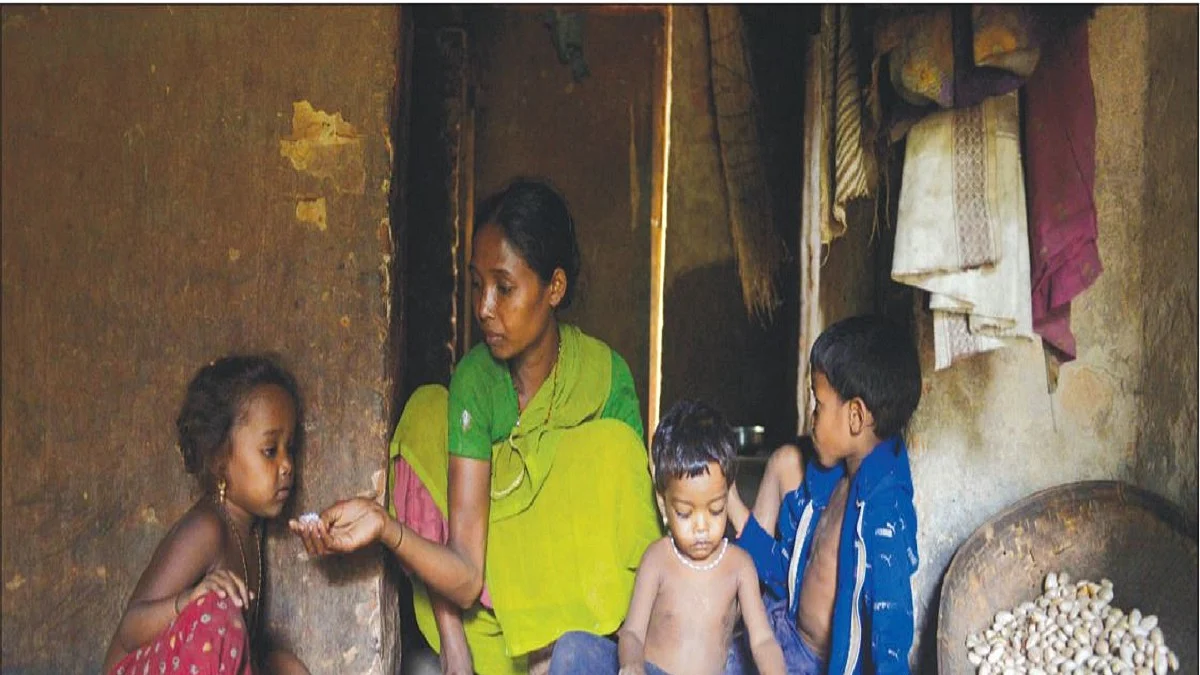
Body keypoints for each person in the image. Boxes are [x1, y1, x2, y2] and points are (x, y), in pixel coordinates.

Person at [290, 178, 661, 675]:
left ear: (554, 287)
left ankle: (549, 649)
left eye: (504, 288)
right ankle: (461, 645)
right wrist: (384, 526)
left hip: (577, 618)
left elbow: (635, 542)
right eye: (477, 285)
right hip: (488, 607)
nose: (484, 307)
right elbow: (466, 576)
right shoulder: (475, 380)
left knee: (611, 450)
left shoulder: (604, 377)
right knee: (425, 414)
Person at [727, 314, 923, 674]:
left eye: (818, 404)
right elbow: (786, 574)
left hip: (808, 663)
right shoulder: (839, 482)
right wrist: (730, 502)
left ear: (855, 416)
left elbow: (890, 634)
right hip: (781, 631)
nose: (812, 418)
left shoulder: (882, 511)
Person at [102, 355, 311, 675]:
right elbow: (130, 630)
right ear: (219, 459)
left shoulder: (252, 532)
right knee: (217, 614)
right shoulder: (206, 529)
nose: (286, 465)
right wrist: (191, 601)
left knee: (285, 666)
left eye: (290, 448)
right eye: (270, 450)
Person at [548, 399, 786, 675]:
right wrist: (632, 665)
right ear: (663, 505)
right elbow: (632, 634)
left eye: (716, 510)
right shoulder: (658, 559)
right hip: (652, 671)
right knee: (571, 648)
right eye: (685, 513)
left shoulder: (739, 566)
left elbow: (763, 640)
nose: (701, 527)